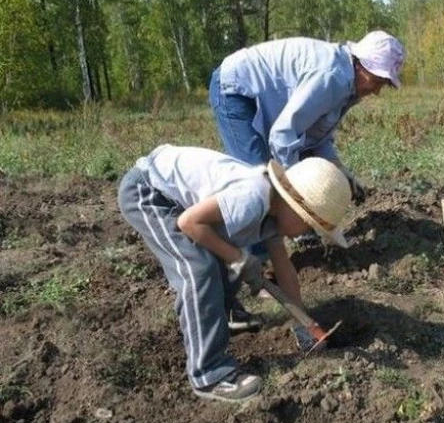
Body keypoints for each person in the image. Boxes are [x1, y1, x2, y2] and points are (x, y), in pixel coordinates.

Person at [117, 144, 352, 402]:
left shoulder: (274, 214)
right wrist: (238, 258)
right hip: (150, 194)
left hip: (183, 205)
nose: (304, 233)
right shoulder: (251, 198)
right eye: (308, 224)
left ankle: (223, 315)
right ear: (294, 204)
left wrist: (302, 321)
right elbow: (188, 223)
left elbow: (285, 270)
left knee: (225, 256)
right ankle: (209, 374)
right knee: (199, 269)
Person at [208, 29, 405, 260]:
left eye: (384, 83)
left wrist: (339, 170)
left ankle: (284, 239)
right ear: (361, 65)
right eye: (377, 80)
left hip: (254, 95)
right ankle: (258, 265)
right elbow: (283, 136)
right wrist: (298, 196)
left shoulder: (349, 84)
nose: (378, 90)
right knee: (257, 180)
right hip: (235, 89)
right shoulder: (332, 78)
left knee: (276, 184)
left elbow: (315, 136)